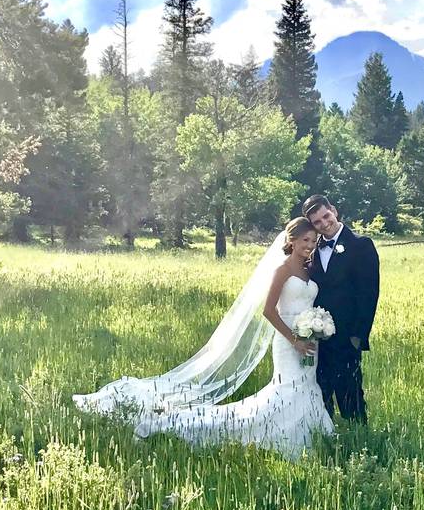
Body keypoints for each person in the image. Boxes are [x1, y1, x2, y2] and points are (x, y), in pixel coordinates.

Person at [73, 217, 334, 459]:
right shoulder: (282, 270)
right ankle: (188, 424)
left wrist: (315, 326)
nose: (309, 246)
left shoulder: (309, 271)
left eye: (312, 241)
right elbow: (268, 311)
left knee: (306, 386)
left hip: (308, 340)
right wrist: (294, 340)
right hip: (288, 342)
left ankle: (314, 432)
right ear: (291, 241)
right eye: (304, 241)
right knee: (286, 389)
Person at [302, 194, 380, 424]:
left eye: (326, 216)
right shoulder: (311, 251)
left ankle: (358, 438)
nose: (324, 223)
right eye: (317, 222)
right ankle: (327, 435)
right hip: (318, 338)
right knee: (321, 391)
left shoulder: (361, 245)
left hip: (348, 337)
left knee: (350, 394)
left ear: (334, 210)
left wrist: (358, 337)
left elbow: (369, 295)